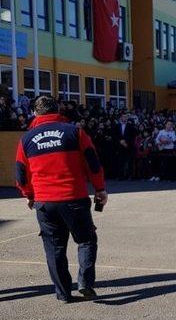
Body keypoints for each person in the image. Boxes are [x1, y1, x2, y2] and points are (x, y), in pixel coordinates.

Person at [14, 95, 107, 302]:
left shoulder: (26, 139)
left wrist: (29, 195)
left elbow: (20, 173)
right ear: (58, 110)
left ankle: (63, 294)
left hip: (45, 202)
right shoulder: (75, 132)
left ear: (35, 113)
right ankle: (85, 283)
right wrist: (100, 189)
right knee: (86, 240)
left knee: (54, 248)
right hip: (74, 197)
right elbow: (93, 163)